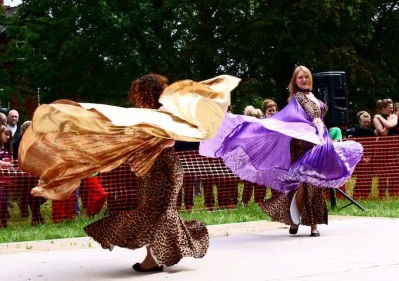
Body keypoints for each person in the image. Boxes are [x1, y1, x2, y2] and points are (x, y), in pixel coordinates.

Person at [18, 73, 239, 272]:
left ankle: (153, 257)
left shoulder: (164, 111)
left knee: (157, 212)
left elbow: (170, 141)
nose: (138, 99)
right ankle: (171, 248)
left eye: (140, 94)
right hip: (150, 170)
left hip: (163, 169)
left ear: (149, 93)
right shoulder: (142, 115)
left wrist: (147, 143)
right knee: (156, 212)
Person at [200, 65, 363, 237]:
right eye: (300, 77)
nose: (304, 80)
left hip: (317, 142)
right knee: (303, 181)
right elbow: (305, 115)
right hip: (301, 143)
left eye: (306, 77)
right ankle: (298, 221)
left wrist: (319, 125)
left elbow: (319, 115)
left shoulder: (314, 96)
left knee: (315, 182)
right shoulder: (297, 97)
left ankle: (311, 223)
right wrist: (314, 120)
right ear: (295, 81)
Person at [13, 121, 46, 225]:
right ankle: (36, 217)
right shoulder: (19, 142)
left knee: (36, 195)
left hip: (35, 172)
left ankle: (36, 216)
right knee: (31, 195)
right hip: (25, 174)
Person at [349, 111, 376, 199]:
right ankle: (356, 194)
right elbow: (355, 145)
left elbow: (373, 146)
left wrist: (370, 157)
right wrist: (362, 157)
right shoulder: (356, 132)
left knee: (368, 177)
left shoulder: (372, 133)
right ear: (360, 122)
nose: (366, 124)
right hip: (359, 157)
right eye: (364, 122)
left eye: (368, 122)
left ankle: (366, 195)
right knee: (360, 177)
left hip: (369, 158)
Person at [0, 126, 13, 227]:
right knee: (2, 202)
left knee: (4, 204)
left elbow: (11, 163)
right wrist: (3, 163)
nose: (8, 137)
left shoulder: (8, 149)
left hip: (6, 180)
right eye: (6, 134)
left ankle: (4, 224)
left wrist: (10, 166)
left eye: (9, 135)